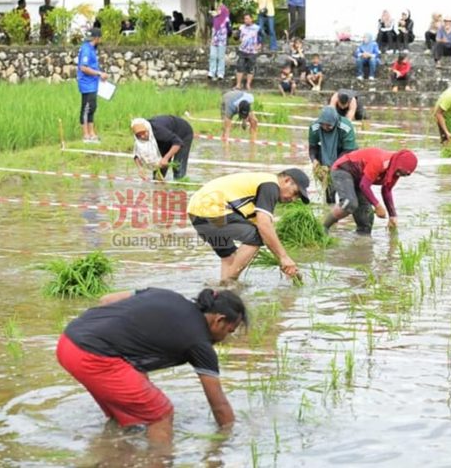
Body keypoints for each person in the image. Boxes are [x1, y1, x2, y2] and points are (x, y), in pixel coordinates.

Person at [56, 288, 245, 444]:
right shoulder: (200, 343)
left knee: (127, 417)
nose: (226, 338)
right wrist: (229, 441)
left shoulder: (168, 295)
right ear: (219, 320)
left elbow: (107, 300)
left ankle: (112, 455)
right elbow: (219, 405)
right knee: (161, 414)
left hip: (68, 341)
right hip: (92, 356)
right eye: (229, 331)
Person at [187, 169, 311, 281]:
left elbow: (265, 228)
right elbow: (264, 226)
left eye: (298, 197)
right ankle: (228, 282)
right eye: (295, 193)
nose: (294, 199)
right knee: (256, 237)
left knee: (229, 256)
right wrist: (283, 257)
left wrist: (284, 262)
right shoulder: (271, 185)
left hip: (196, 212)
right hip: (211, 208)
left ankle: (223, 293)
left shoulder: (260, 188)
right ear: (287, 180)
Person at [323, 148, 418, 234]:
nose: (399, 175)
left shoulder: (394, 172)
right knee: (349, 203)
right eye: (399, 172)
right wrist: (377, 205)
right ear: (398, 164)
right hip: (343, 170)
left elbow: (387, 190)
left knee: (366, 220)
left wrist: (392, 216)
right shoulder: (380, 161)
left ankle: (360, 247)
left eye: (404, 175)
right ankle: (323, 227)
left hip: (359, 179)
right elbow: (364, 185)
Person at [309, 106, 358, 200]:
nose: (325, 127)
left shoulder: (346, 127)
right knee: (329, 185)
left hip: (344, 153)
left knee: (343, 183)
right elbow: (313, 147)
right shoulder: (315, 127)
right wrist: (314, 160)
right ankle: (330, 206)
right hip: (325, 153)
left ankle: (346, 202)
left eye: (329, 126)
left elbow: (348, 150)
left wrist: (335, 165)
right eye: (323, 125)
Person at [131, 116, 193, 181]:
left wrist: (166, 158)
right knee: (159, 167)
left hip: (183, 134)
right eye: (139, 135)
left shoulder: (158, 131)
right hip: (167, 136)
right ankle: (159, 186)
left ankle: (179, 184)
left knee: (178, 165)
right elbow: (136, 153)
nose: (142, 136)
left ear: (147, 129)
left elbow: (178, 143)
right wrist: (140, 169)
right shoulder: (138, 136)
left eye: (143, 133)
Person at [77, 28, 107, 144]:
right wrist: (99, 73)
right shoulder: (86, 49)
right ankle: (85, 135)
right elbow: (83, 68)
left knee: (92, 107)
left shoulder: (92, 49)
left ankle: (92, 133)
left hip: (93, 83)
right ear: (97, 38)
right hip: (86, 84)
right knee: (86, 108)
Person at [235, 14, 260, 91]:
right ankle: (238, 85)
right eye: (245, 19)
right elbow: (237, 37)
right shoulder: (241, 27)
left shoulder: (257, 28)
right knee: (240, 67)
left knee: (251, 69)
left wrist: (259, 46)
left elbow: (261, 37)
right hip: (242, 50)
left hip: (252, 51)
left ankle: (248, 85)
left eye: (248, 19)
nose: (246, 20)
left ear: (251, 19)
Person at [208, 4, 230, 81]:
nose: (218, 10)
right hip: (214, 40)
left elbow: (229, 28)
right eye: (217, 9)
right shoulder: (214, 18)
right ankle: (211, 72)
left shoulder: (226, 19)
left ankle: (220, 73)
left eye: (219, 9)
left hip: (222, 41)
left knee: (221, 57)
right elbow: (210, 24)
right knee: (212, 56)